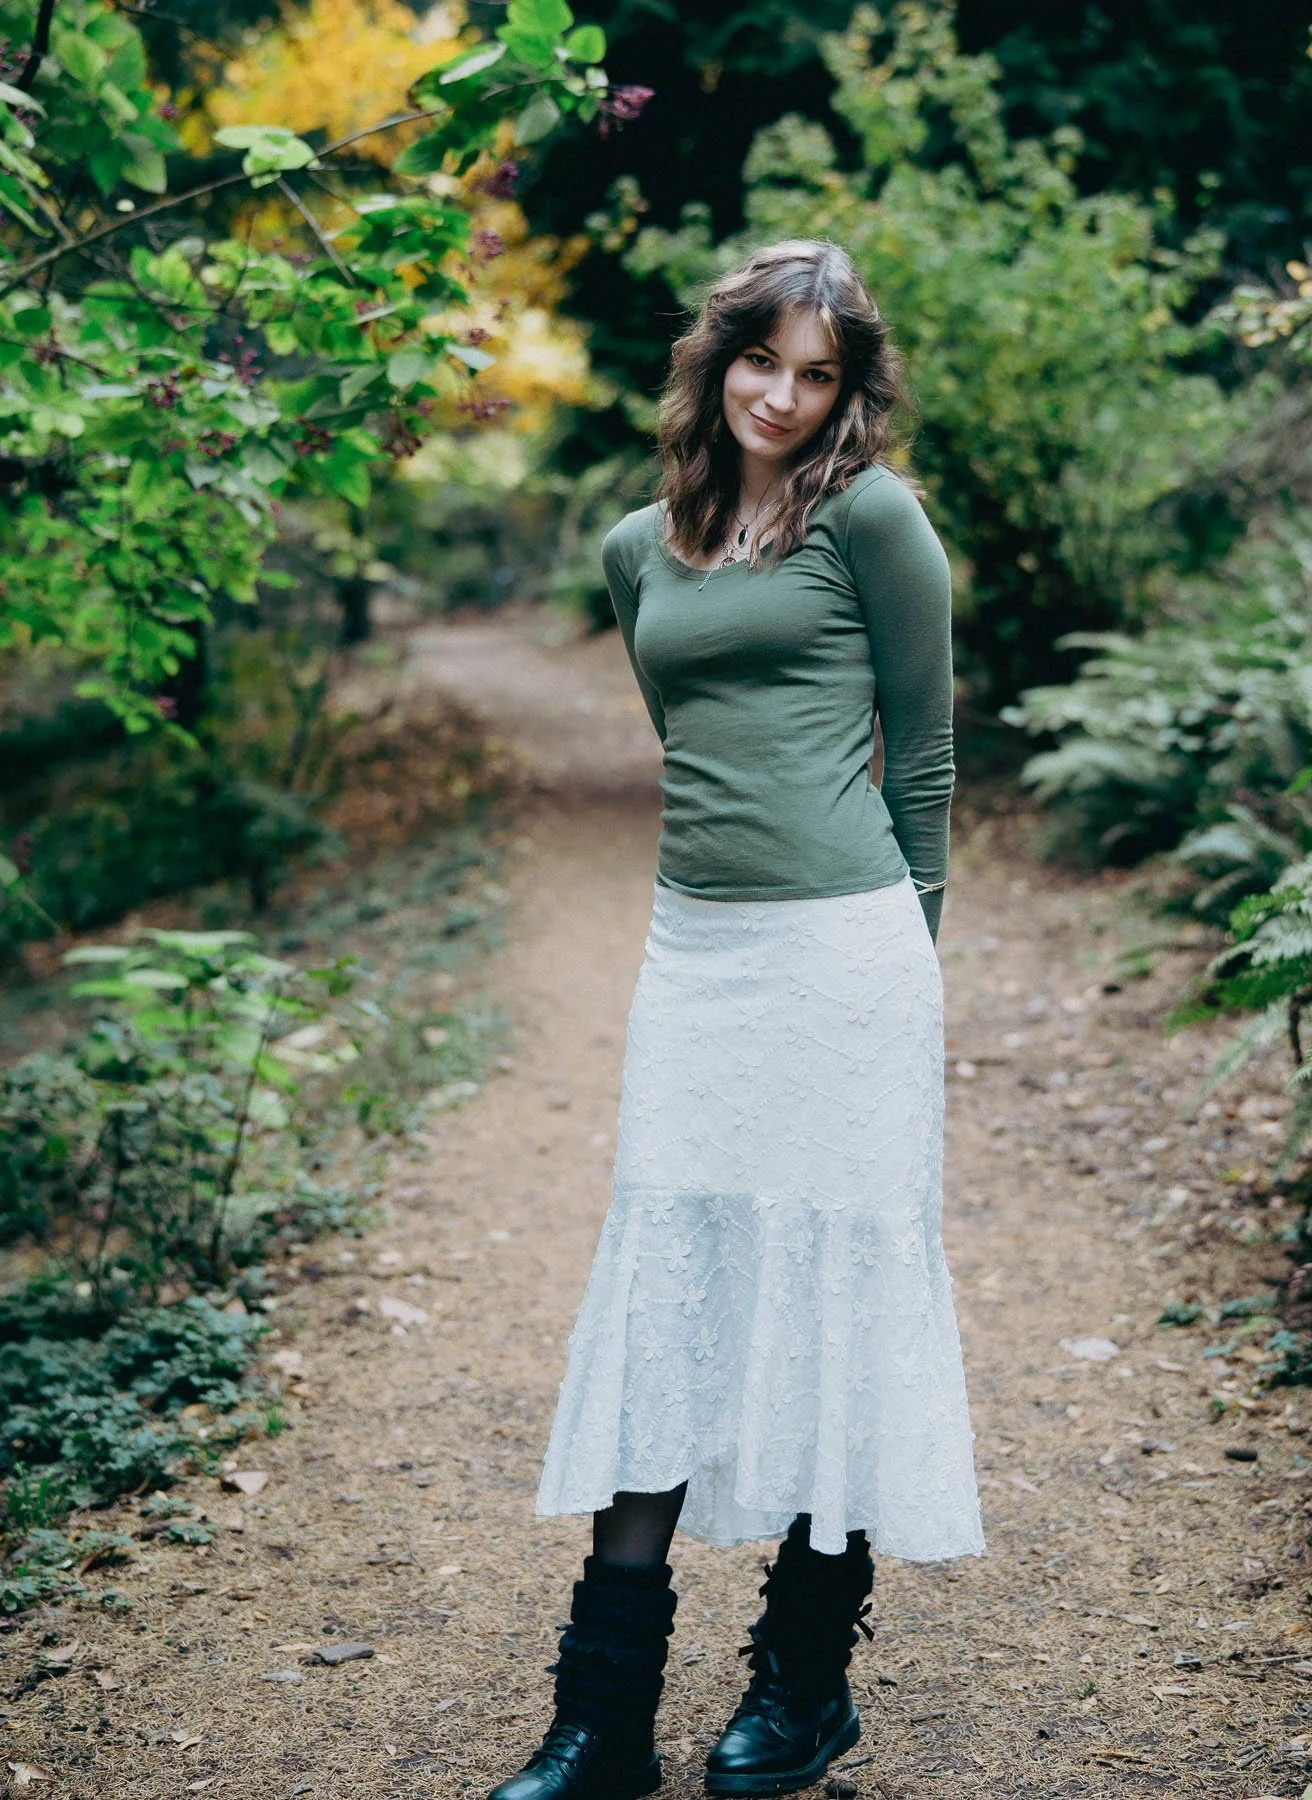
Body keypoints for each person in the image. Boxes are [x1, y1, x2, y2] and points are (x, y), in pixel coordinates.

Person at [489, 238, 983, 1800]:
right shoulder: (641, 547)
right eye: (761, 361)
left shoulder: (876, 521)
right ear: (717, 362)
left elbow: (921, 763)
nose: (784, 395)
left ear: (849, 388)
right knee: (673, 1287)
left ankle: (802, 1688)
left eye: (818, 373)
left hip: (847, 959)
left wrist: (902, 962)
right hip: (694, 957)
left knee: (830, 1292)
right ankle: (600, 1721)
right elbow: (696, 742)